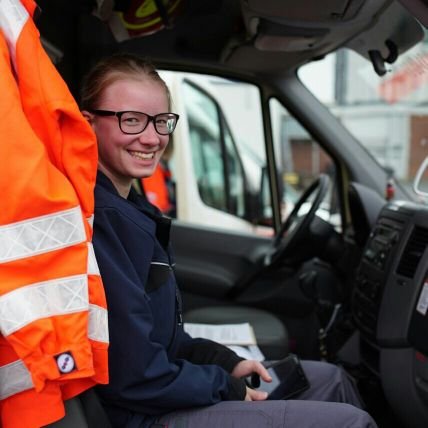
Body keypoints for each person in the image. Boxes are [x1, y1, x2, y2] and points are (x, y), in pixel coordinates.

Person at [80, 52, 377, 428]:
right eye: (132, 120)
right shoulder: (104, 221)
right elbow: (136, 375)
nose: (152, 137)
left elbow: (161, 342)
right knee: (351, 423)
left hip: (158, 392)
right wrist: (226, 386)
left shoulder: (134, 210)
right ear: (88, 124)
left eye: (161, 121)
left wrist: (225, 362)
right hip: (142, 416)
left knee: (332, 380)